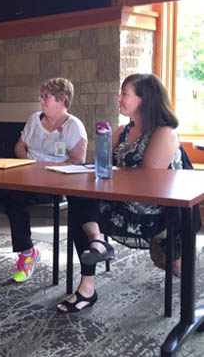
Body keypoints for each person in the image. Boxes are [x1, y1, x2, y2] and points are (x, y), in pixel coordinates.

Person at [56, 73, 182, 313]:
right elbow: (102, 167)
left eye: (125, 93)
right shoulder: (121, 132)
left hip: (150, 209)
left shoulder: (164, 133)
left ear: (145, 99)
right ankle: (92, 266)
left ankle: (95, 253)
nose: (118, 98)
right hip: (120, 201)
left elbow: (148, 181)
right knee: (77, 194)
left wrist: (108, 174)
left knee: (83, 201)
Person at [0, 77, 87, 283]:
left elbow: (78, 161)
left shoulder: (74, 126)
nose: (42, 101)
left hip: (54, 183)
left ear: (62, 100)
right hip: (27, 178)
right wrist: (28, 166)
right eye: (41, 96)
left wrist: (42, 170)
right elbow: (19, 147)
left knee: (12, 195)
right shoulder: (35, 119)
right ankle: (11, 249)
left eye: (47, 97)